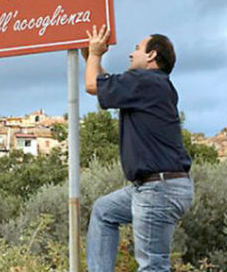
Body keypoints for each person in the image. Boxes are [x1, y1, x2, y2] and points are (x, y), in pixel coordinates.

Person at [83, 25, 193, 272]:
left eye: (136, 49)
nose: (131, 54)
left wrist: (95, 55)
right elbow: (104, 83)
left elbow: (91, 86)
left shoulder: (145, 81)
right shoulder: (152, 84)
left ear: (152, 55)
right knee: (104, 210)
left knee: (153, 266)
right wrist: (90, 56)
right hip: (156, 186)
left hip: (158, 189)